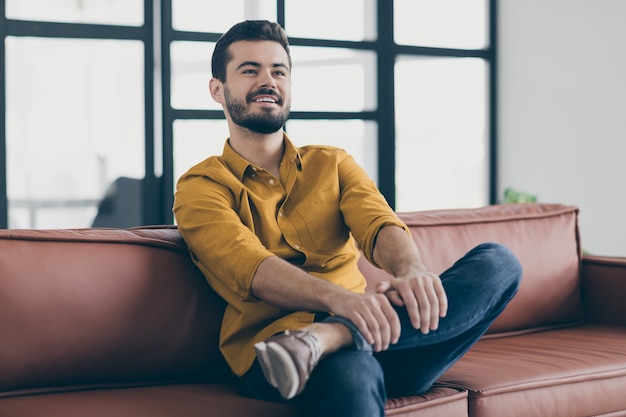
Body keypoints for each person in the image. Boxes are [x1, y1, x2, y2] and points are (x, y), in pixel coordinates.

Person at [173, 20, 522, 417]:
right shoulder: (200, 187)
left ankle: (330, 337)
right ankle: (324, 342)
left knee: (499, 263)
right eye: (250, 70)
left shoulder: (333, 163)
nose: (267, 80)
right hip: (277, 352)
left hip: (384, 336)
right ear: (217, 90)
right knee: (354, 373)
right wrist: (345, 301)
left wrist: (411, 270)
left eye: (278, 71)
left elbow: (378, 223)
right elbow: (251, 268)